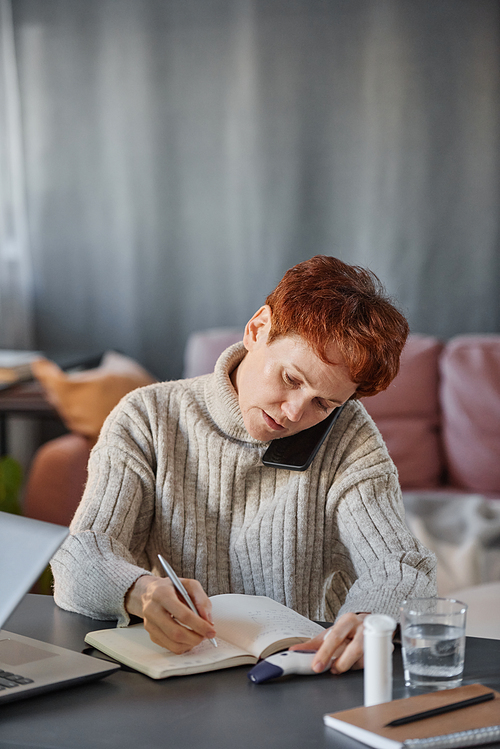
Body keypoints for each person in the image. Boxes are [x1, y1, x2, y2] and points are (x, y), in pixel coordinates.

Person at [51, 255, 436, 676]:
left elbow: (399, 566)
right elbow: (80, 557)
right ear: (258, 328)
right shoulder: (147, 415)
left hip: (296, 671)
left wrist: (373, 620)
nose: (293, 413)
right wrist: (138, 591)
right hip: (171, 672)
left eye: (323, 403)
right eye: (291, 379)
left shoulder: (349, 436)